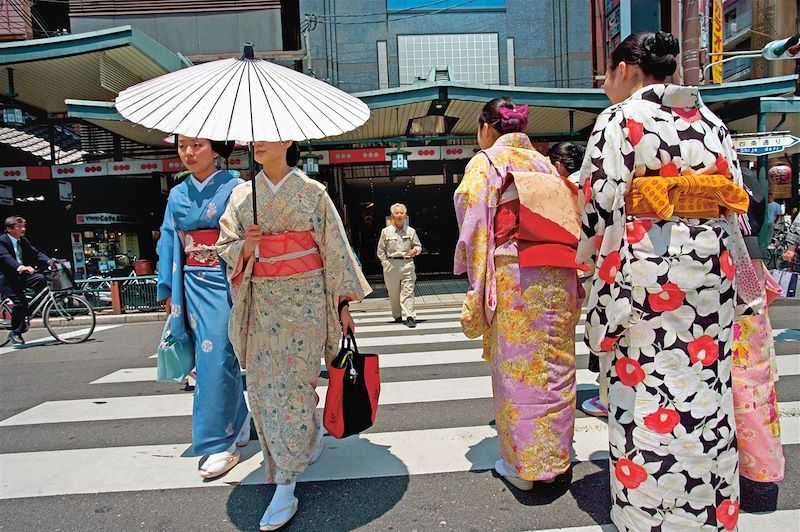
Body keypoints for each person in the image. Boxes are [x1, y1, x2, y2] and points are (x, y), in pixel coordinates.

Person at [577, 31, 754, 530]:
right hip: (709, 280)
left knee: (646, 388)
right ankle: (709, 514)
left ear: (625, 70)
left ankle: (648, 515)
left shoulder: (620, 120)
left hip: (646, 277)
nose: (606, 84)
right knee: (706, 394)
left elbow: (597, 209)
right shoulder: (714, 125)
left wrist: (589, 261)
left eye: (607, 74)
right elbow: (734, 202)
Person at [216, 139, 371, 531]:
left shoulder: (313, 193)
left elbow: (334, 249)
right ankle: (291, 462)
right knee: (266, 392)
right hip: (263, 306)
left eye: (265, 136)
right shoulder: (240, 196)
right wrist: (245, 248)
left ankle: (286, 481)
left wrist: (342, 305)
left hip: (306, 303)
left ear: (286, 141)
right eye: (253, 138)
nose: (256, 144)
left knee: (296, 389)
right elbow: (225, 245)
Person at [454, 97, 584, 491]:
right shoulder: (545, 164)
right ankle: (556, 458)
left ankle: (524, 468)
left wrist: (478, 284)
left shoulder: (486, 162)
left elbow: (474, 222)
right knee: (556, 366)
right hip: (558, 274)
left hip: (516, 276)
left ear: (486, 128)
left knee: (518, 370)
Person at [156, 136, 250, 480]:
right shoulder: (177, 193)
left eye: (197, 145)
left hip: (228, 278)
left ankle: (219, 443)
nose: (188, 153)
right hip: (192, 283)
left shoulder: (236, 187)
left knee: (216, 356)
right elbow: (169, 239)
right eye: (182, 146)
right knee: (211, 357)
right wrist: (167, 288)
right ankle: (235, 424)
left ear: (216, 150)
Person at [732, 168, 785, 483]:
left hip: (726, 264)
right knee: (754, 374)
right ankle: (759, 470)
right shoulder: (748, 179)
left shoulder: (721, 175)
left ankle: (750, 471)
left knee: (739, 376)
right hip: (751, 261)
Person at [0, 216, 50, 345]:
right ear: (9, 229)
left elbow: (36, 253)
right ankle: (15, 332)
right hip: (7, 278)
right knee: (20, 303)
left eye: (24, 226)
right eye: (19, 226)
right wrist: (21, 267)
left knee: (42, 280)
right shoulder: (2, 241)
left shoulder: (23, 241)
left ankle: (27, 312)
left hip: (21, 276)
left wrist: (50, 260)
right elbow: (6, 258)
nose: (23, 229)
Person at [376, 203, 422, 328]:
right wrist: (385, 263)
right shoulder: (385, 232)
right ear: (392, 216)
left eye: (402, 213)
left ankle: (410, 316)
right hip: (391, 265)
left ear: (405, 215)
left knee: (408, 292)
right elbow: (380, 251)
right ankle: (397, 315)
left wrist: (415, 251)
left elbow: (418, 246)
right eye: (397, 213)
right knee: (393, 292)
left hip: (407, 264)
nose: (399, 215)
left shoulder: (411, 231)